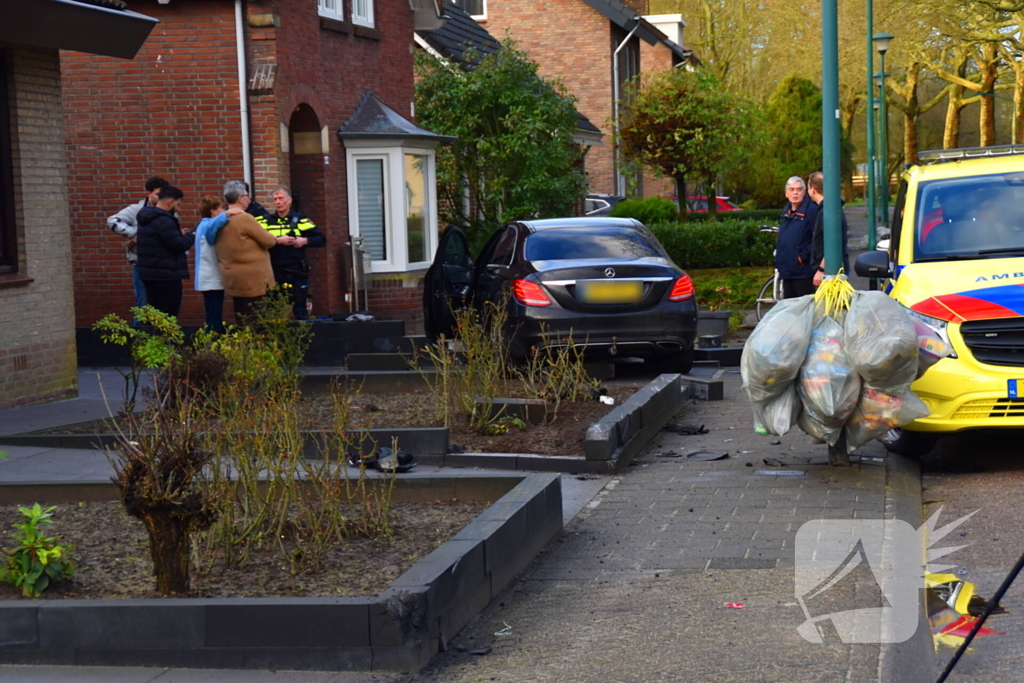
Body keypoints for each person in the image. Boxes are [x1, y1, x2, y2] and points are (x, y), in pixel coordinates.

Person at [255, 185, 326, 320]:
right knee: (273, 309)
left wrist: (304, 241)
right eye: (275, 199)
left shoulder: (301, 219)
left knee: (300, 309)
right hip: (274, 272)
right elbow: (257, 241)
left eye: (281, 198)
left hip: (296, 271)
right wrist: (277, 240)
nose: (277, 202)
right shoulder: (265, 221)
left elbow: (321, 239)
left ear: (289, 200)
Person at [215, 180, 277, 324]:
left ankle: (244, 345)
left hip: (233, 277)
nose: (249, 199)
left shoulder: (220, 219)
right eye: (247, 195)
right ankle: (254, 346)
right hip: (253, 280)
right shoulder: (244, 218)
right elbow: (269, 241)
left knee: (240, 317)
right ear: (240, 198)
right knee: (254, 319)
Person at [107, 176, 169, 318]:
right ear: (149, 194)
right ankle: (141, 339)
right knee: (143, 306)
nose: (161, 198)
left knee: (161, 307)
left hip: (163, 266)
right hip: (141, 264)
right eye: (158, 195)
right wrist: (135, 235)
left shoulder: (169, 211)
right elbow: (112, 220)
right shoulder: (136, 210)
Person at [136, 186, 193, 317]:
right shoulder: (164, 220)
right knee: (168, 314)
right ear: (170, 203)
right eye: (178, 204)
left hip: (150, 273)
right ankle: (165, 338)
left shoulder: (147, 217)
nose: (178, 208)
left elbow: (161, 240)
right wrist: (191, 235)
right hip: (166, 275)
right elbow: (179, 245)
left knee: (154, 314)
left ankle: (154, 337)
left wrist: (178, 235)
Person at [193, 196, 243, 333]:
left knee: (213, 315)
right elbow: (214, 225)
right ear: (213, 211)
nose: (223, 210)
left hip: (208, 279)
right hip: (211, 279)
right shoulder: (207, 226)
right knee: (214, 318)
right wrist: (228, 213)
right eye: (221, 208)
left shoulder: (202, 226)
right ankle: (211, 347)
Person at [775, 176, 819, 299]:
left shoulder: (812, 211)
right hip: (787, 272)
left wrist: (802, 256)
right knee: (791, 311)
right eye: (792, 189)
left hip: (803, 273)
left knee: (803, 311)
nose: (795, 193)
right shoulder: (786, 213)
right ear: (786, 193)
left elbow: (818, 239)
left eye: (799, 189)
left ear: (804, 192)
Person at [807, 171, 851, 287]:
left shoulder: (826, 212)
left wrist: (821, 269)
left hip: (830, 272)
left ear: (813, 189)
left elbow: (832, 244)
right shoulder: (833, 209)